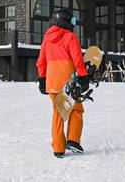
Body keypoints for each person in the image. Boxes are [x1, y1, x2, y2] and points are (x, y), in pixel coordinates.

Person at [36, 9, 90, 159]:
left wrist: (42, 79)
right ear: (66, 21)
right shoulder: (70, 37)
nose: (73, 25)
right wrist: (84, 76)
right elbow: (78, 60)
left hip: (52, 83)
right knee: (76, 110)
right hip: (69, 83)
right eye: (72, 22)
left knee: (58, 113)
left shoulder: (47, 39)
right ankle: (72, 140)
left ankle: (58, 148)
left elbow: (41, 62)